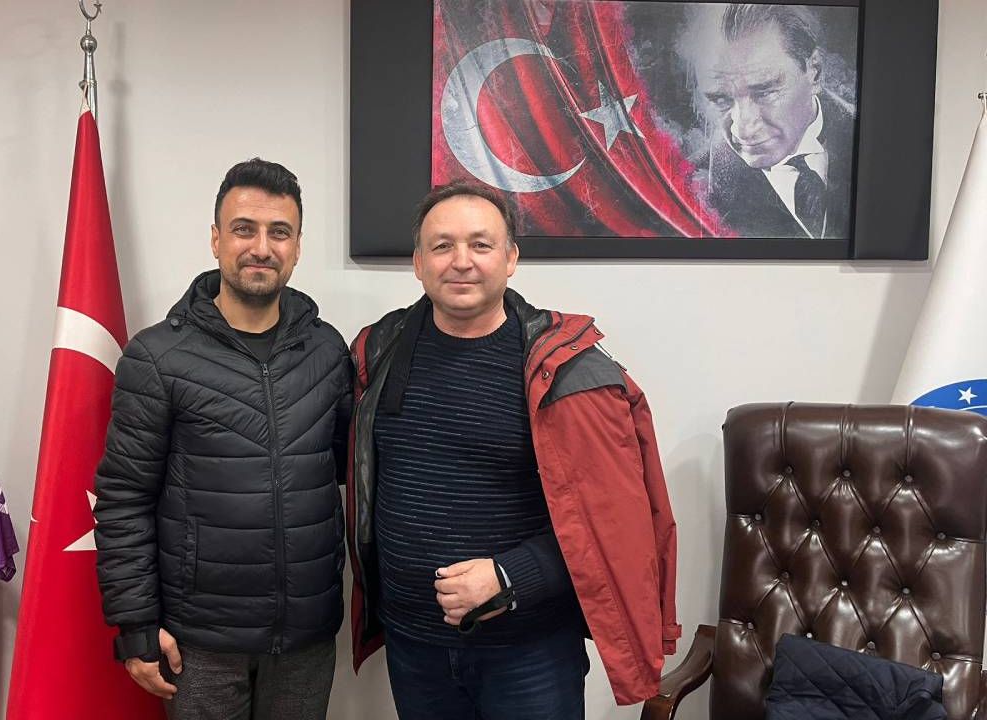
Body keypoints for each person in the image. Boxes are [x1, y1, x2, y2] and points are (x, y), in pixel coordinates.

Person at [346, 181, 680, 718]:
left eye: (480, 245)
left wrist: (510, 576)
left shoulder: (565, 369)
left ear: (511, 259)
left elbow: (613, 520)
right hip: (414, 650)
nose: (461, 261)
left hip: (531, 656)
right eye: (442, 246)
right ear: (418, 263)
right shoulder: (377, 350)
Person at [93, 158, 352, 720]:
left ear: (297, 246)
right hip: (199, 642)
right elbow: (123, 498)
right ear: (216, 240)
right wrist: (136, 623)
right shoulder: (157, 356)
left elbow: (342, 469)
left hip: (306, 636)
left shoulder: (328, 351)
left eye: (278, 232)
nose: (261, 247)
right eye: (243, 229)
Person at [684, 4, 856, 239]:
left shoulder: (884, 143)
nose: (743, 129)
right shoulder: (685, 191)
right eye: (720, 99)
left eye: (764, 92)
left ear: (814, 71)